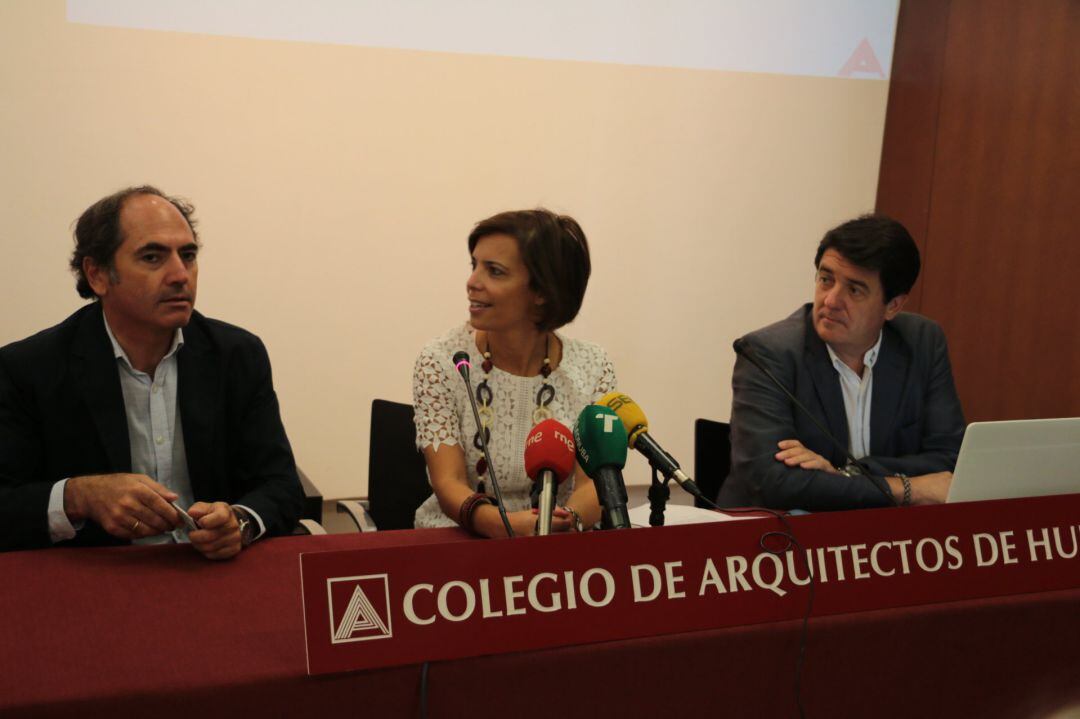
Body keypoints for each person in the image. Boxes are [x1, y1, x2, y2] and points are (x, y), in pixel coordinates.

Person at [0, 186, 303, 556]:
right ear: (97, 275)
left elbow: (281, 484)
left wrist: (239, 522)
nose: (180, 275)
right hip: (101, 582)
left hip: (211, 575)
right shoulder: (29, 369)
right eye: (152, 257)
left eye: (188, 255)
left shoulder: (236, 355)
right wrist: (78, 495)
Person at [719, 214, 965, 511]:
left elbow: (950, 460)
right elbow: (772, 482)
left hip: (883, 534)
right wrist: (905, 488)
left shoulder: (923, 342)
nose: (831, 300)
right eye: (826, 279)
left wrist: (845, 474)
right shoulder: (767, 353)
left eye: (854, 290)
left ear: (893, 306)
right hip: (778, 532)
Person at [412, 209, 616, 536]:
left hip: (559, 546)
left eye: (494, 271)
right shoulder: (443, 360)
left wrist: (562, 523)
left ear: (542, 292)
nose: (472, 282)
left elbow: (596, 484)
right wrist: (505, 527)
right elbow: (448, 481)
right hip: (460, 542)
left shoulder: (592, 366)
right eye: (474, 265)